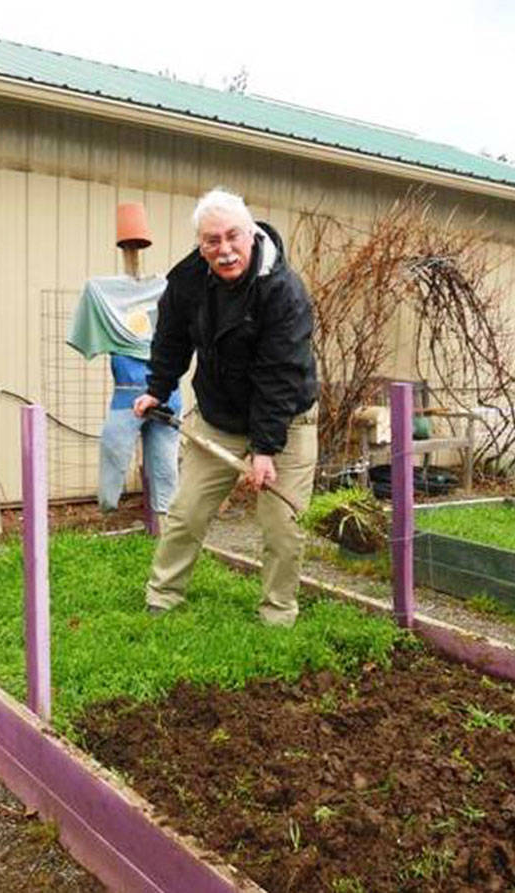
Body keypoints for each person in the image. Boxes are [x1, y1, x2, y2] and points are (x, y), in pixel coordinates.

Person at [134, 188, 318, 627]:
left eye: (232, 236)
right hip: (219, 418)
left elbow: (280, 375)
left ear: (251, 233)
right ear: (201, 245)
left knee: (282, 527)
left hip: (286, 422)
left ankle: (277, 613)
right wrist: (158, 388)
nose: (225, 249)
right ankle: (162, 598)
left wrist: (266, 448)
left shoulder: (284, 292)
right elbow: (172, 338)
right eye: (212, 240)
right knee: (186, 512)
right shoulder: (188, 280)